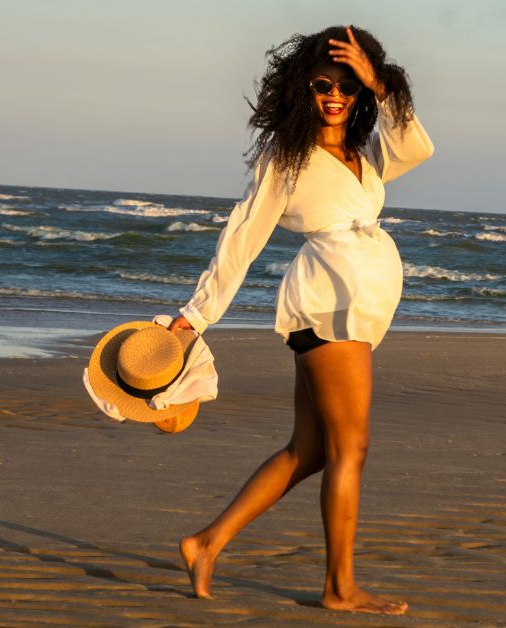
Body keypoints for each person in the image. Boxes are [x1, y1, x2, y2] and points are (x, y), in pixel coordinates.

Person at [167, 24, 434, 615]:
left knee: (309, 450)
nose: (334, 95)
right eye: (322, 84)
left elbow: (416, 147)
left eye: (346, 85)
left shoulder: (364, 156)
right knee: (352, 449)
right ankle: (339, 588)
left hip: (354, 309)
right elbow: (243, 237)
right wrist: (195, 316)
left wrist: (380, 83)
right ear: (302, 88)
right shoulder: (286, 156)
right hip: (327, 307)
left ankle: (205, 542)